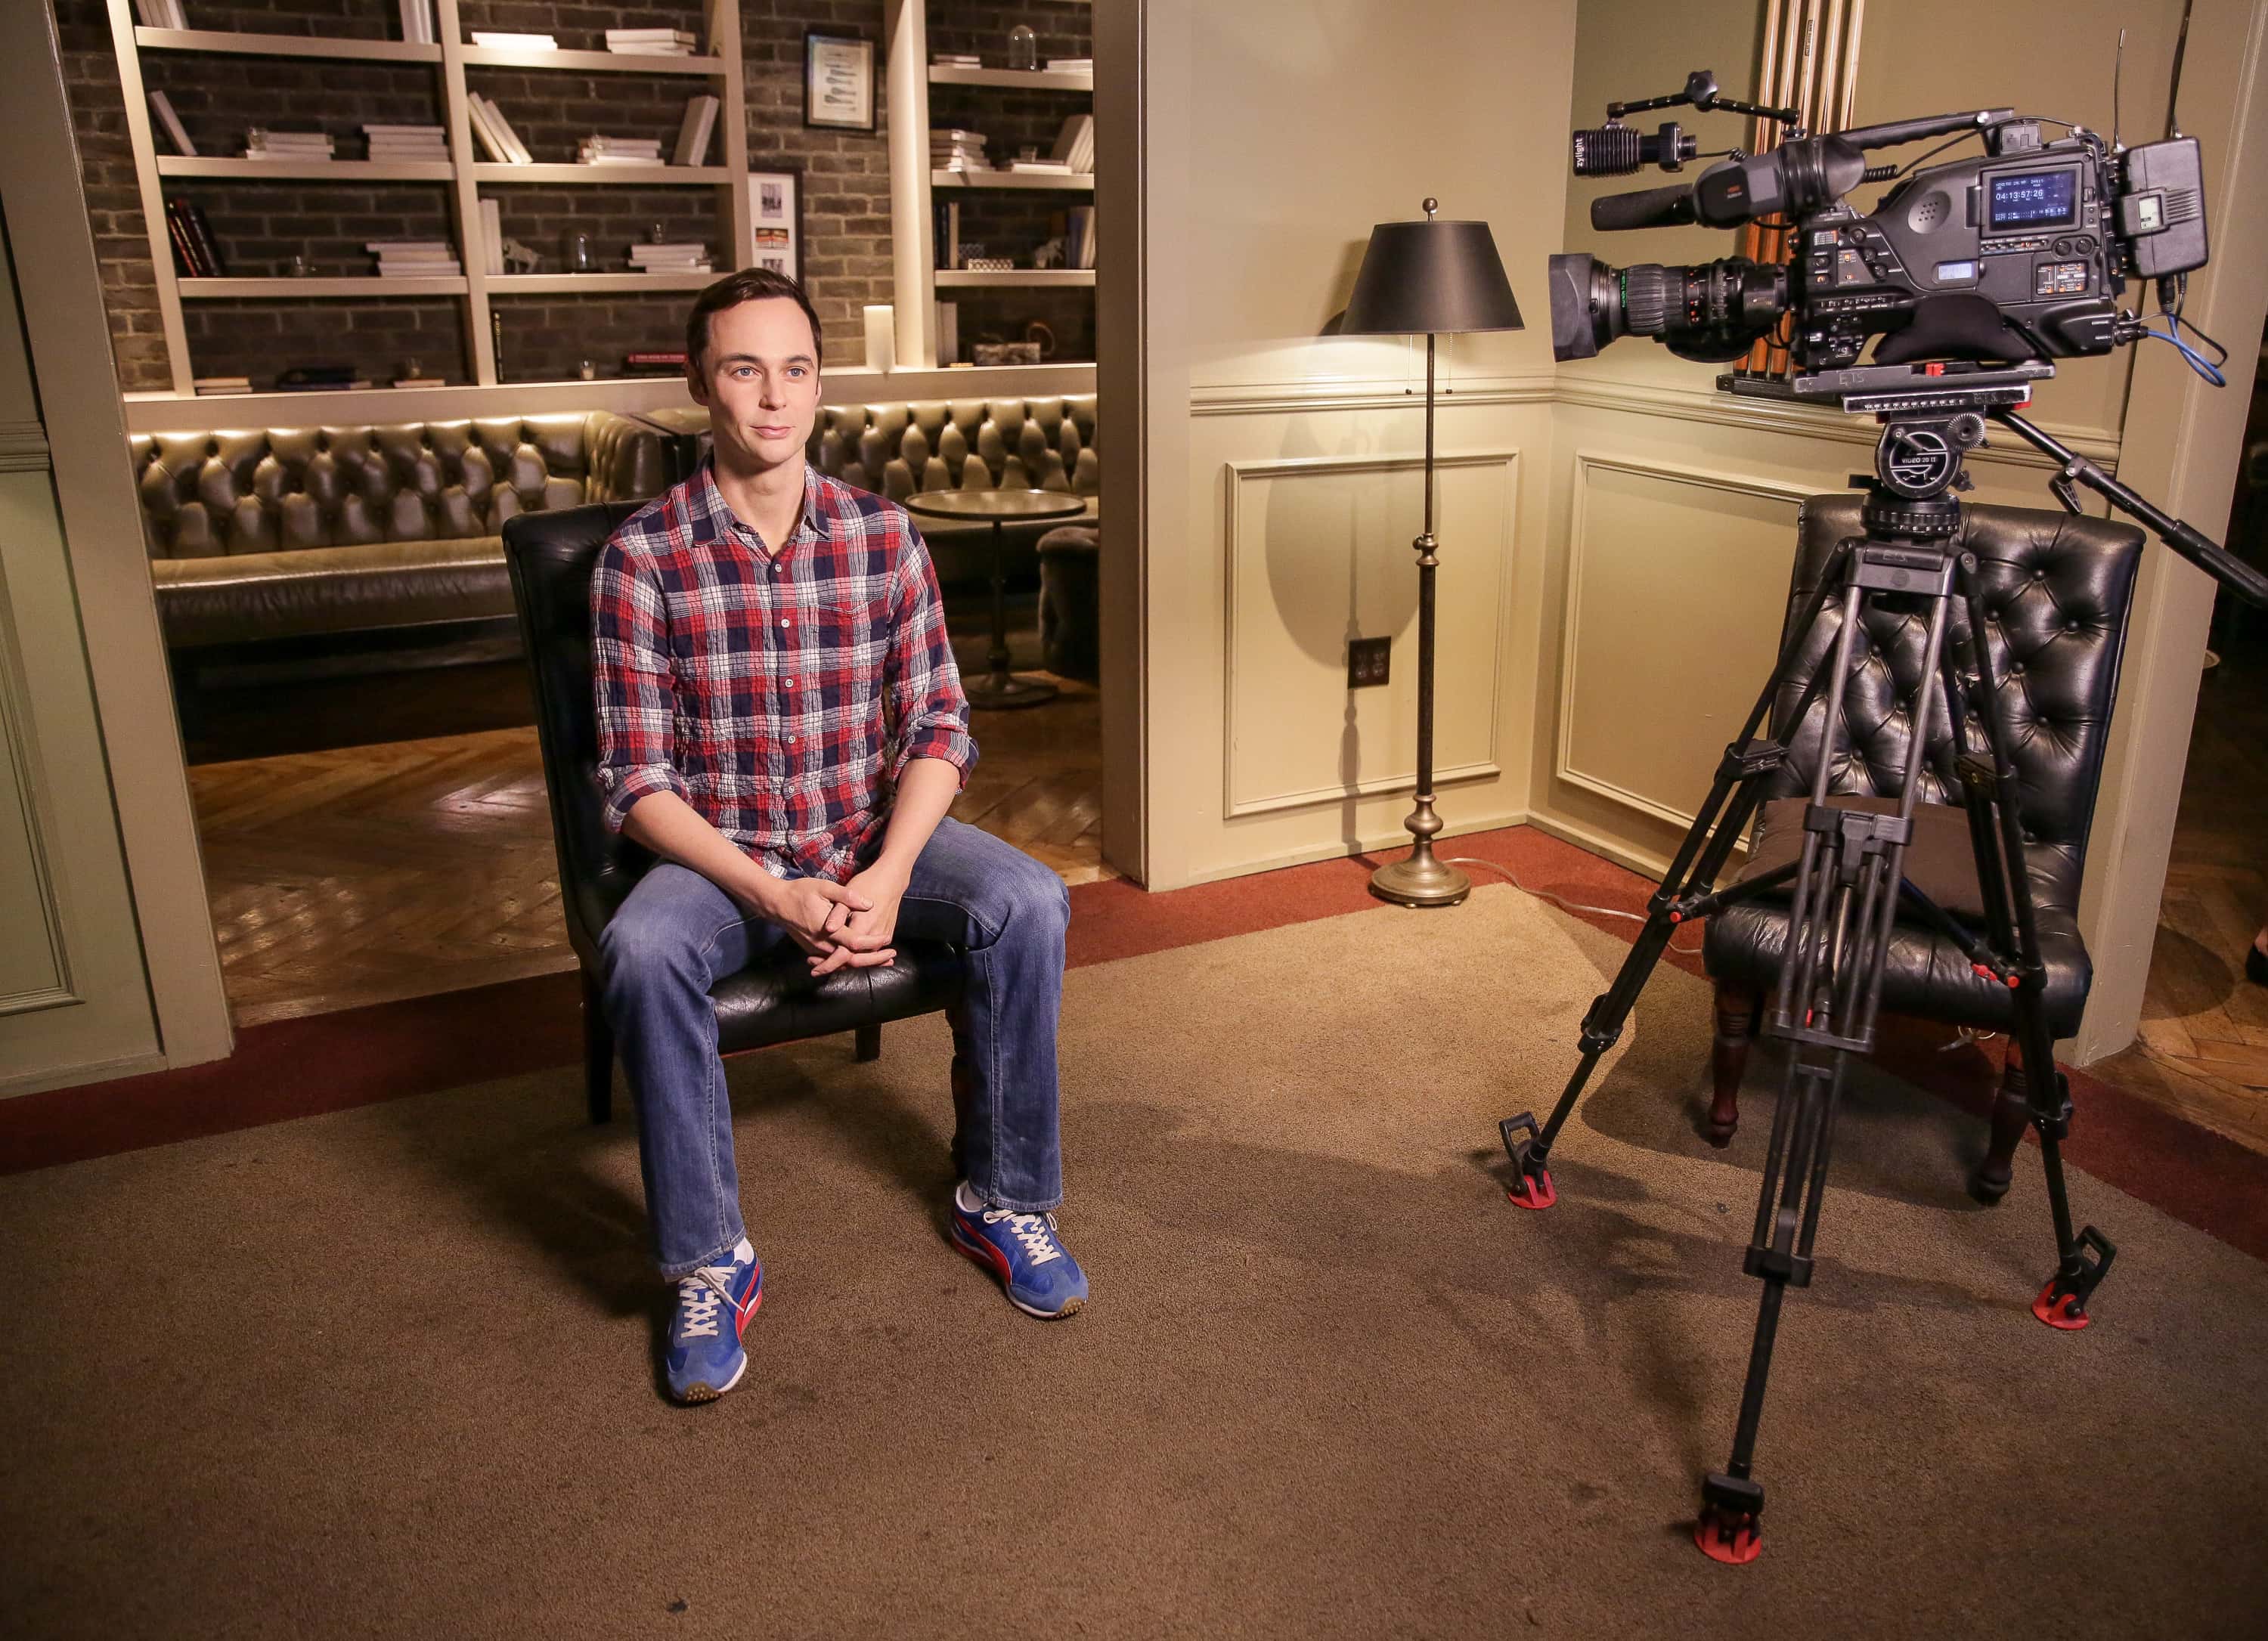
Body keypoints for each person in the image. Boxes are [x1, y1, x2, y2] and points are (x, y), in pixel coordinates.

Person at [590, 268, 1086, 1404]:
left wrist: (890, 873)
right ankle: (710, 1261)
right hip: (724, 858)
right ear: (701, 384)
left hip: (867, 833)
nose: (774, 397)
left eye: (796, 369)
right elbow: (636, 783)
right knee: (641, 951)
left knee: (1030, 900)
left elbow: (940, 726)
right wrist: (776, 895)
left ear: (821, 385)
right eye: (744, 369)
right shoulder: (642, 556)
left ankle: (1003, 1200)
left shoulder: (883, 535)